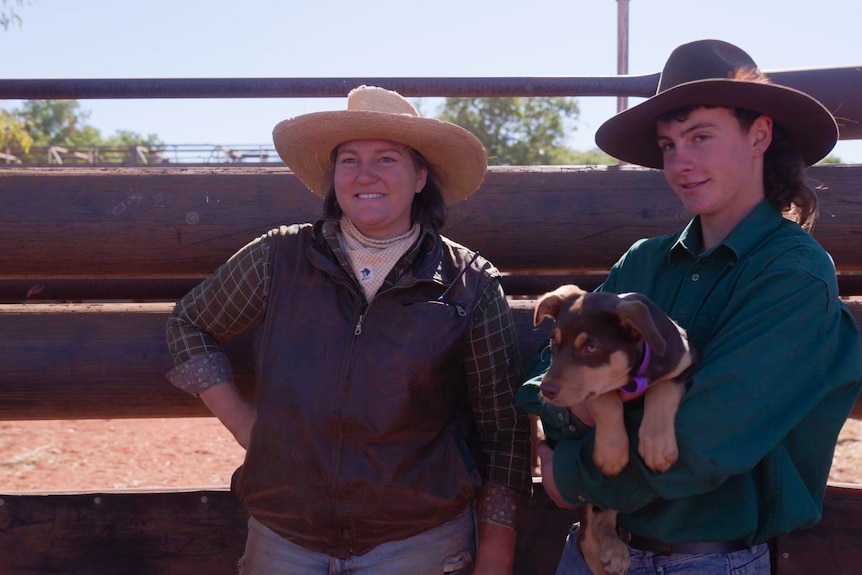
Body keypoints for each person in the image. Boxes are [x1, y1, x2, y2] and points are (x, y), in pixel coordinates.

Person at [517, 39, 862, 574]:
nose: (681, 162)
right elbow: (545, 380)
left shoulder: (792, 275)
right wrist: (589, 408)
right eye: (669, 145)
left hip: (705, 561)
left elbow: (707, 444)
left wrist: (574, 470)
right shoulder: (645, 261)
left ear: (760, 135)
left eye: (701, 137)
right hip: (592, 552)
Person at [165, 85, 532, 574]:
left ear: (421, 176)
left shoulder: (470, 284)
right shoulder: (279, 258)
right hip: (284, 537)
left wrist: (496, 553)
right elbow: (189, 322)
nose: (365, 175)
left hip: (418, 543)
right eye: (349, 160)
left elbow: (504, 431)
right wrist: (243, 422)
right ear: (333, 175)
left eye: (386, 159)